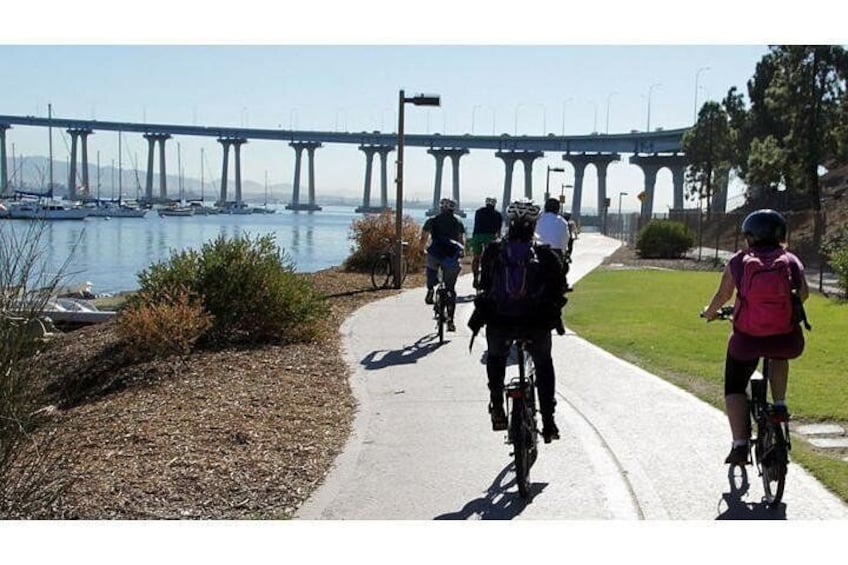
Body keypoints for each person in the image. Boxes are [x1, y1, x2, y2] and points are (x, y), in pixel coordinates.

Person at [701, 209, 809, 465]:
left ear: (749, 236)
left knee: (735, 386)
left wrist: (709, 313)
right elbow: (803, 294)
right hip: (786, 339)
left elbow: (722, 296)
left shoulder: (739, 262)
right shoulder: (791, 261)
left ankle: (739, 445)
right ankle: (780, 404)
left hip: (747, 340)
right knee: (780, 354)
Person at [468, 198, 567, 443]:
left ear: (509, 222)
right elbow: (559, 289)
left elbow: (483, 285)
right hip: (535, 324)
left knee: (496, 357)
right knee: (543, 364)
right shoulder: (545, 255)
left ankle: (497, 404)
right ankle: (548, 421)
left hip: (500, 322)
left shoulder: (494, 251)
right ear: (534, 224)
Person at [420, 197, 466, 332]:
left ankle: (430, 289)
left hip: (435, 253)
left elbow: (424, 237)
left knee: (430, 268)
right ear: (454, 208)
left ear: (441, 207)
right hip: (451, 257)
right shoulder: (458, 221)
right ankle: (451, 321)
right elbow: (461, 240)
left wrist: (421, 249)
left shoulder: (432, 220)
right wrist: (461, 252)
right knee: (450, 289)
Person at [536, 198, 573, 291]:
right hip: (556, 253)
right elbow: (565, 240)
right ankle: (562, 286)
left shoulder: (537, 219)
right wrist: (564, 252)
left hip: (538, 251)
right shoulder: (562, 222)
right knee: (562, 271)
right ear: (558, 209)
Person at [470, 197, 503, 289]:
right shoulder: (498, 214)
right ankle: (489, 274)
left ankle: (475, 276)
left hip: (477, 236)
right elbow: (499, 231)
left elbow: (476, 224)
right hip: (490, 237)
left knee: (476, 257)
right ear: (494, 204)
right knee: (491, 257)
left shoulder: (478, 212)